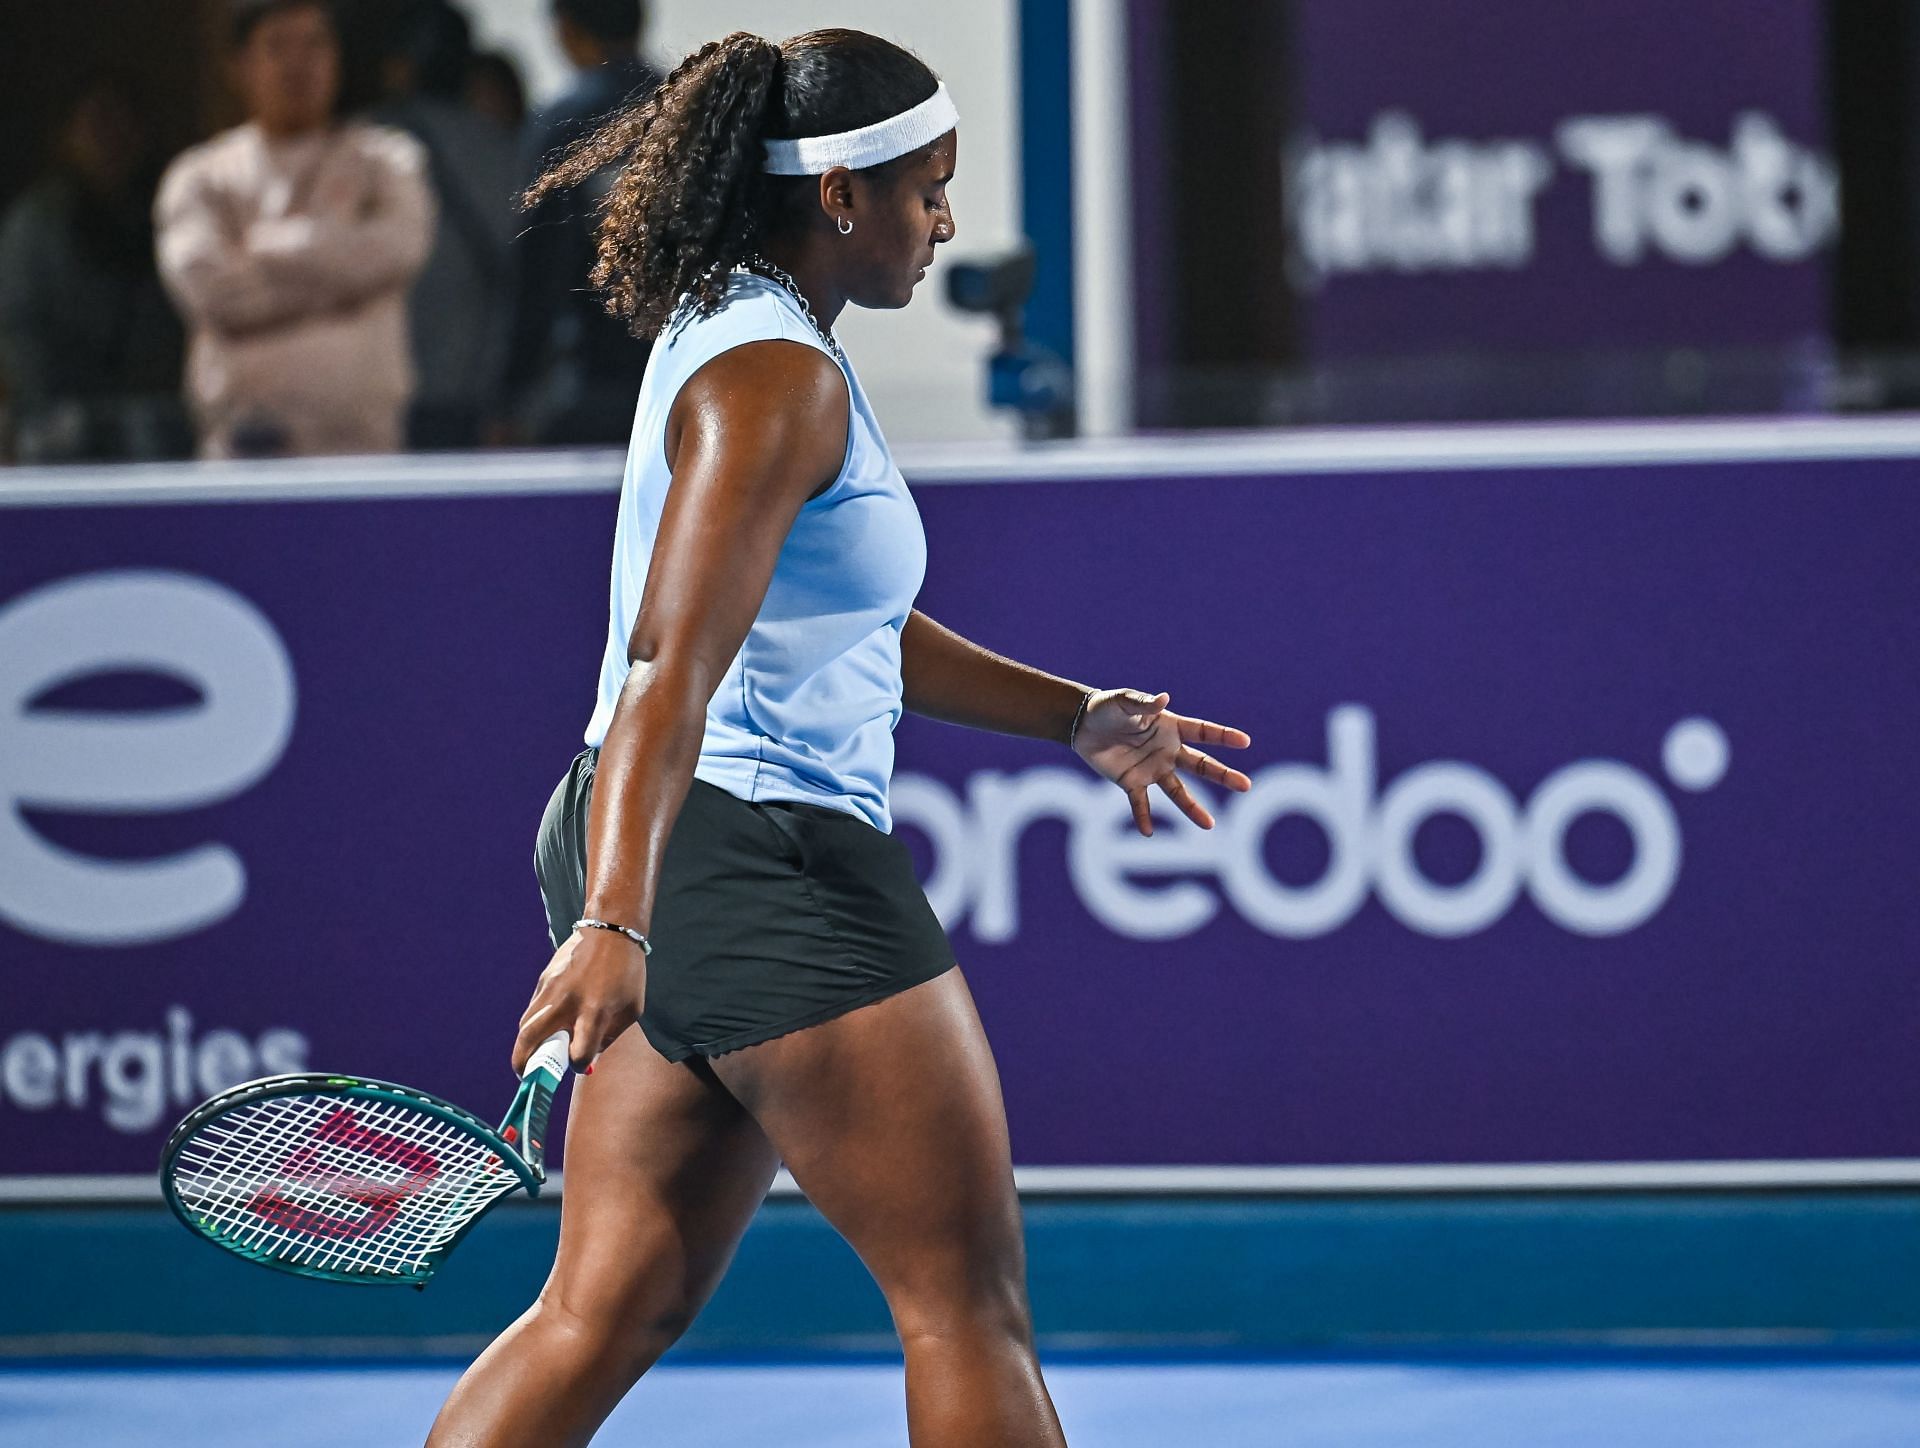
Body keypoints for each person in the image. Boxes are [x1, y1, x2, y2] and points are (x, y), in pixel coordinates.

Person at [424, 28, 1254, 1448]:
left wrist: (1074, 717)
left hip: (671, 849)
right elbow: (668, 668)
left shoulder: (744, 330)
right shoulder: (774, 384)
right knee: (963, 1307)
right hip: (748, 859)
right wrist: (618, 923)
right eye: (926, 189)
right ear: (838, 196)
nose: (944, 223)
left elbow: (832, 625)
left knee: (605, 1306)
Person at [153, 0, 434, 458]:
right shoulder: (199, 177)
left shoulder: (388, 162)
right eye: (277, 46)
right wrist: (341, 278)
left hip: (362, 448)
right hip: (240, 448)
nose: (298, 63)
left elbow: (397, 249)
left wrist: (269, 249)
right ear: (239, 65)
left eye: (315, 44)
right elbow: (212, 290)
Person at [499, 0, 664, 445]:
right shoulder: (694, 106)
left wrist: (512, 391)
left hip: (594, 374)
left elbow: (538, 268)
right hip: (689, 363)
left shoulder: (565, 123)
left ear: (566, 29)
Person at [0, 74, 186, 463]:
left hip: (155, 414)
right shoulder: (32, 227)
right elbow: (22, 336)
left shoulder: (170, 214)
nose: (111, 138)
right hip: (57, 413)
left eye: (123, 124)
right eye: (96, 123)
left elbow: (177, 329)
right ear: (67, 137)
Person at [369, 0, 519, 449]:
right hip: (472, 381)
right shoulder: (501, 149)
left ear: (399, 65)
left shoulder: (362, 146)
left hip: (379, 384)